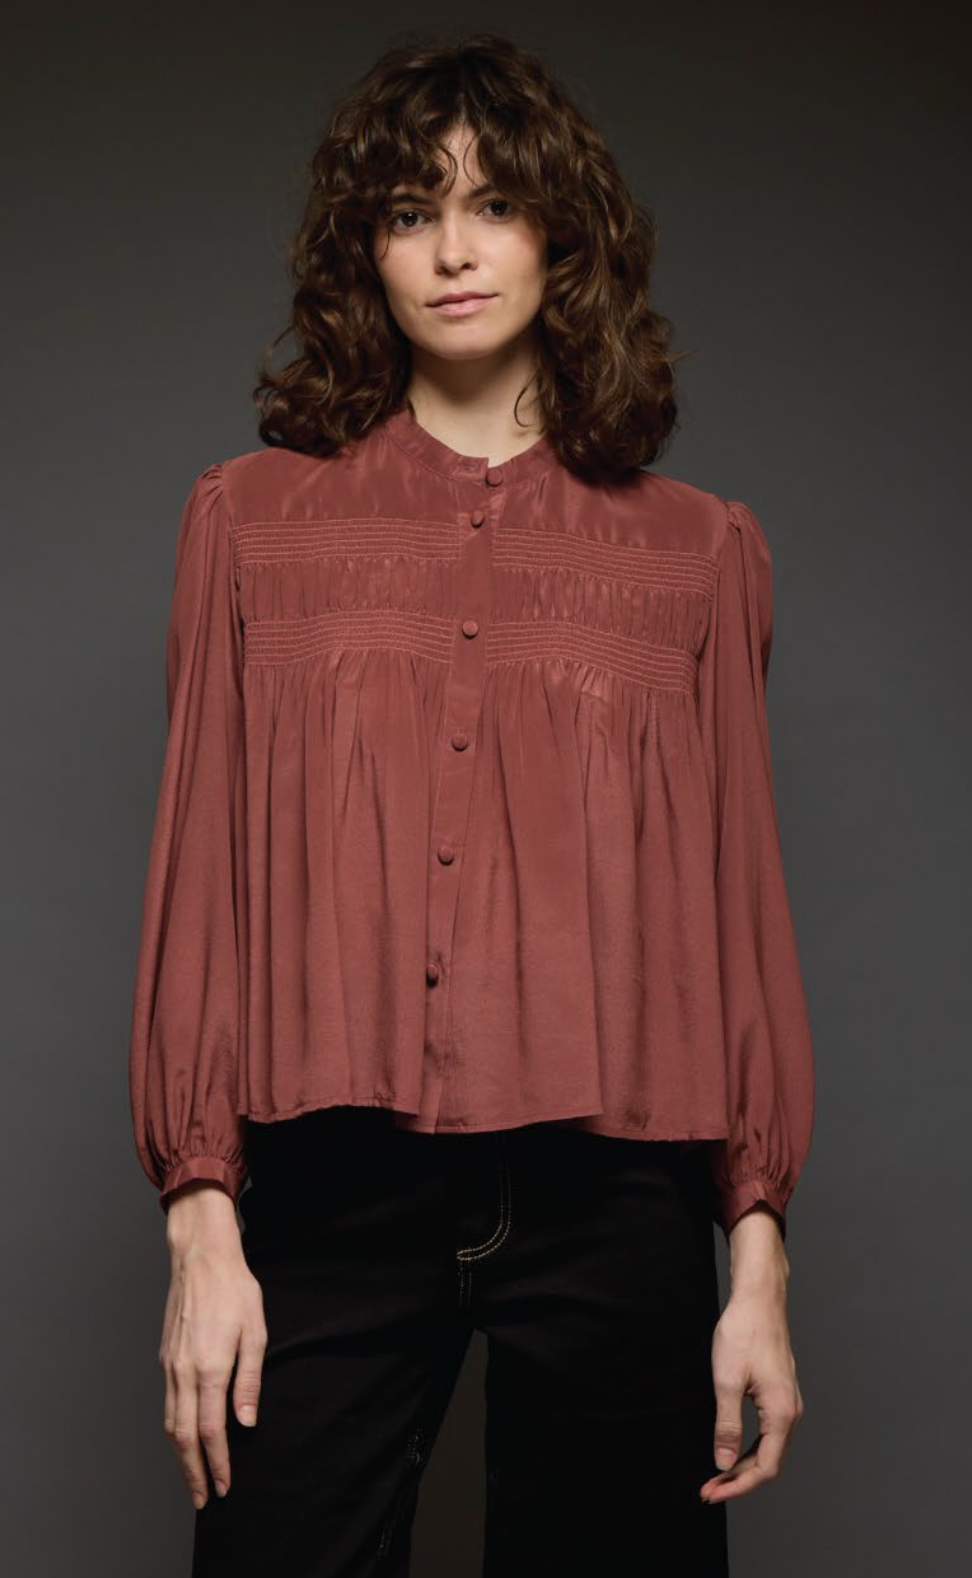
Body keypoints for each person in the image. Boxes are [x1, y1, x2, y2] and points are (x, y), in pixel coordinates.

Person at [127, 29, 815, 1577]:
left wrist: (754, 1261)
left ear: (560, 236)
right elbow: (202, 885)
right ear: (359, 249)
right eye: (407, 209)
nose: (450, 248)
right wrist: (201, 1221)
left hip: (614, 1198)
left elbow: (737, 905)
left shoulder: (697, 555)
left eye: (493, 204)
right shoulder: (248, 526)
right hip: (326, 1188)